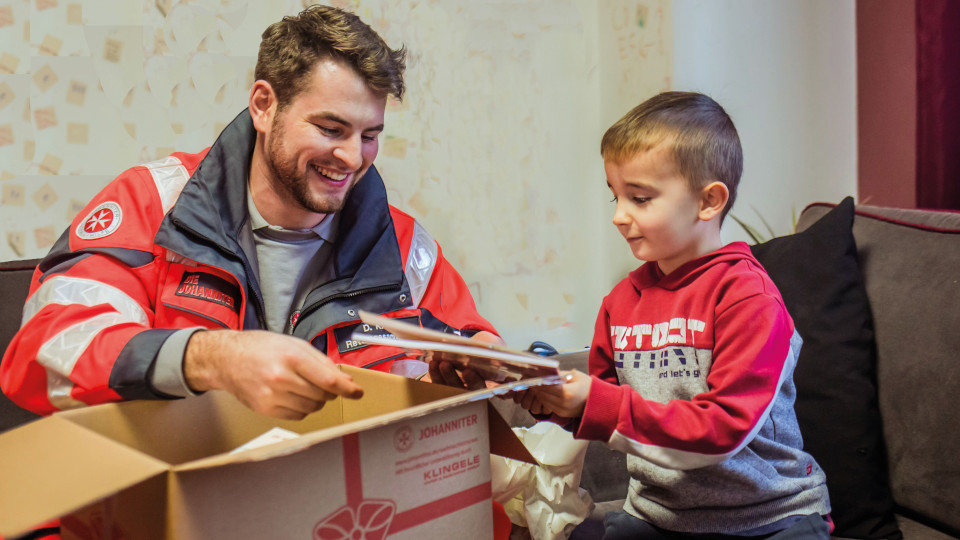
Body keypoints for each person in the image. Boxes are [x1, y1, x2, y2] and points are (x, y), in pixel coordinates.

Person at [0, 5, 501, 422]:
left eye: (369, 136)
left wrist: (471, 366)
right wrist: (209, 357)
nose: (353, 158)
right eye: (331, 128)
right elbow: (42, 356)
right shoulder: (155, 205)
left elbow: (478, 352)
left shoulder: (404, 247)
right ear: (264, 106)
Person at [516, 92, 832, 539]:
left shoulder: (749, 299)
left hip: (770, 518)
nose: (619, 217)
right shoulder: (619, 303)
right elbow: (608, 410)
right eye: (616, 198)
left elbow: (721, 432)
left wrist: (592, 400)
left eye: (640, 198)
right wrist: (553, 402)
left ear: (709, 202)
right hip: (658, 516)